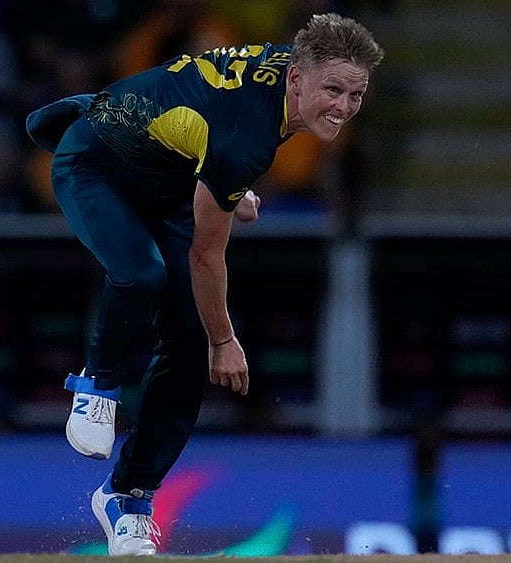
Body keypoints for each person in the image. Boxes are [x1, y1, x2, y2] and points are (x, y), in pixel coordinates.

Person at [25, 12, 383, 555]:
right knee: (144, 274)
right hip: (97, 164)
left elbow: (203, 114)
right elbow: (205, 256)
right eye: (333, 90)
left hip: (168, 180)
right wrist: (226, 339)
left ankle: (127, 497)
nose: (343, 106)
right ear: (296, 78)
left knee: (186, 341)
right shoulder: (247, 136)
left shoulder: (298, 67)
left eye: (355, 94)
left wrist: (228, 187)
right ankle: (95, 388)